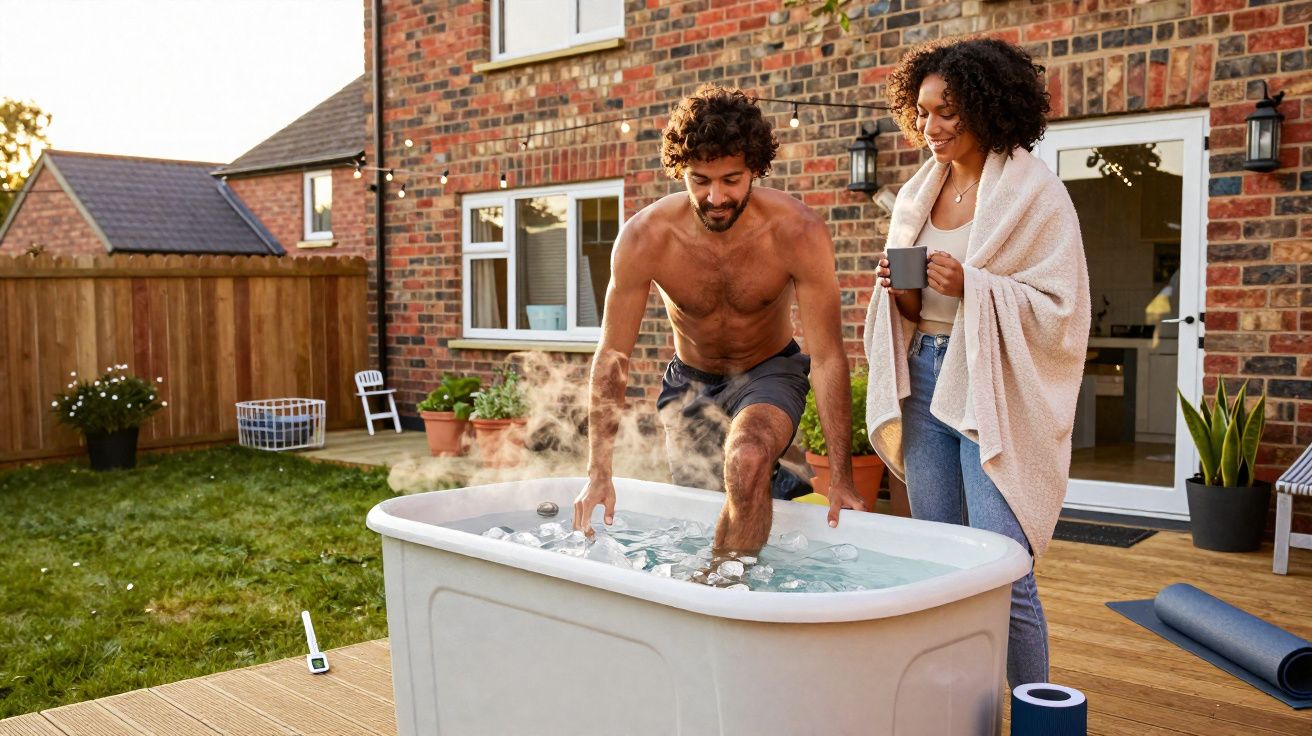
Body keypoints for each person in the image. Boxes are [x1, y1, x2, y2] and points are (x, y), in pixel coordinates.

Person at [864, 38, 1090, 688]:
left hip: (992, 388)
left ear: (989, 109)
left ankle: (1039, 726)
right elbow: (909, 311)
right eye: (924, 111)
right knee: (943, 569)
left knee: (1005, 572)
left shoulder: (1035, 195)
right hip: (925, 381)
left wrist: (976, 286)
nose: (930, 128)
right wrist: (901, 291)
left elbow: (1062, 309)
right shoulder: (916, 194)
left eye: (948, 113)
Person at [573, 84, 866, 556]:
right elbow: (613, 356)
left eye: (731, 179)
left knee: (746, 457)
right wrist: (598, 472)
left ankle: (729, 593)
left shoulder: (796, 231)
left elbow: (829, 357)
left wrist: (842, 480)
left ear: (755, 168)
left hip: (770, 371)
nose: (714, 197)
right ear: (679, 172)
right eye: (699, 179)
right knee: (700, 520)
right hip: (689, 382)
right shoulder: (646, 237)